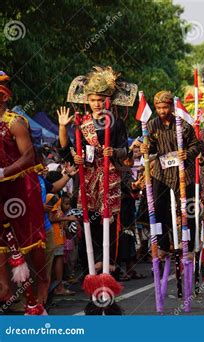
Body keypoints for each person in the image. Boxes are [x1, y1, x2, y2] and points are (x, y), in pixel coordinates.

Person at [57, 66, 131, 275]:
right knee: (90, 219)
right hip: (88, 176)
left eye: (100, 99)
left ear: (107, 100)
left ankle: (110, 260)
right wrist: (63, 129)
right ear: (87, 101)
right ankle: (92, 260)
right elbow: (66, 151)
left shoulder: (116, 123)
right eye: (93, 100)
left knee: (110, 218)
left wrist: (113, 151)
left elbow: (125, 151)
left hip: (109, 174)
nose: (97, 104)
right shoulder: (82, 122)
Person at [0, 71, 47, 314]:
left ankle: (42, 287)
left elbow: (29, 157)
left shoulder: (14, 122)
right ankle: (4, 288)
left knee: (30, 242)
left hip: (20, 189)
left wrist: (3, 172)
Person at [140, 90, 202, 260]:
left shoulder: (182, 123)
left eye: (165, 107)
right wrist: (146, 148)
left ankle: (188, 245)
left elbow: (197, 145)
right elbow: (151, 146)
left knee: (188, 209)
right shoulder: (152, 125)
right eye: (158, 108)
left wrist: (187, 154)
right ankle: (163, 244)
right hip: (162, 173)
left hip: (184, 173)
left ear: (171, 107)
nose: (162, 111)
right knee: (158, 208)